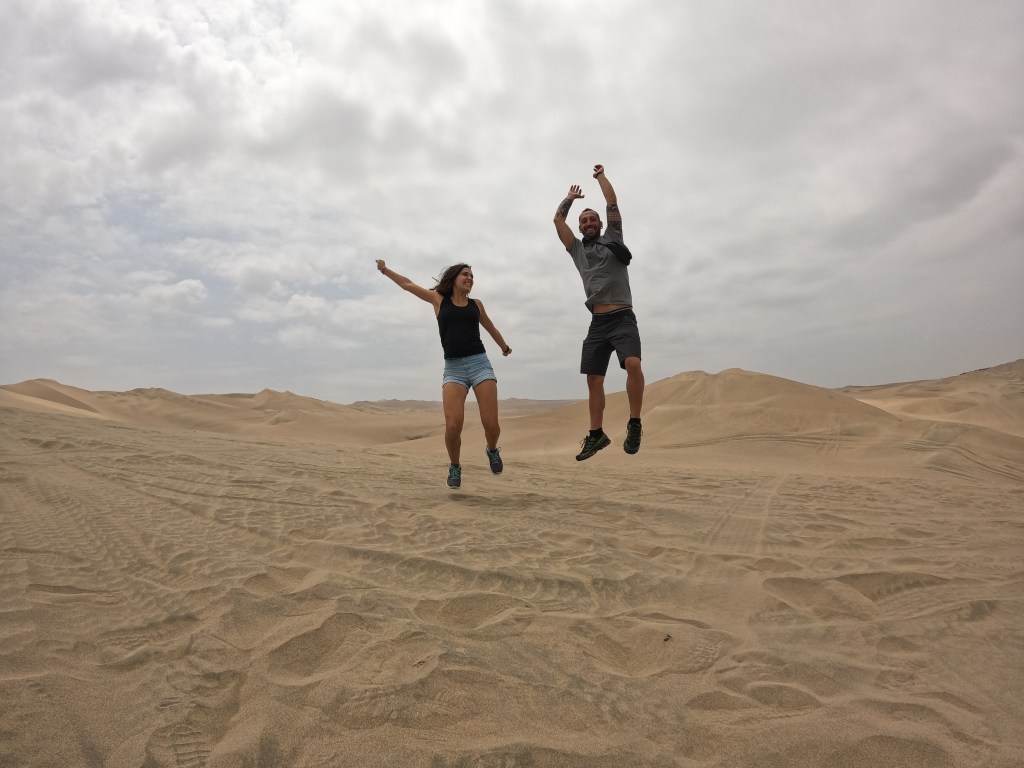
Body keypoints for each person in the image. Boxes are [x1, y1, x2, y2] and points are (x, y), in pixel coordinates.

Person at [376, 260, 511, 488]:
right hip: (453, 369)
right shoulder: (438, 299)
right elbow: (408, 285)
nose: (470, 278)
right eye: (465, 274)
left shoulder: (476, 305)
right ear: (454, 277)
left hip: (480, 364)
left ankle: (492, 450)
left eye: (472, 276)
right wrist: (385, 270)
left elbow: (491, 327)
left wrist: (504, 347)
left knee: (491, 424)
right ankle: (455, 466)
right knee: (453, 426)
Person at [553, 164, 645, 461]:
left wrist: (600, 176)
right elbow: (557, 220)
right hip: (597, 322)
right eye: (584, 221)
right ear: (580, 227)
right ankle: (596, 435)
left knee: (632, 363)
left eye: (593, 219)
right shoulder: (577, 250)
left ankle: (634, 424)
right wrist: (569, 199)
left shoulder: (613, 238)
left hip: (622, 317)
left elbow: (612, 202)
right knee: (593, 379)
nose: (589, 222)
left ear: (600, 223)